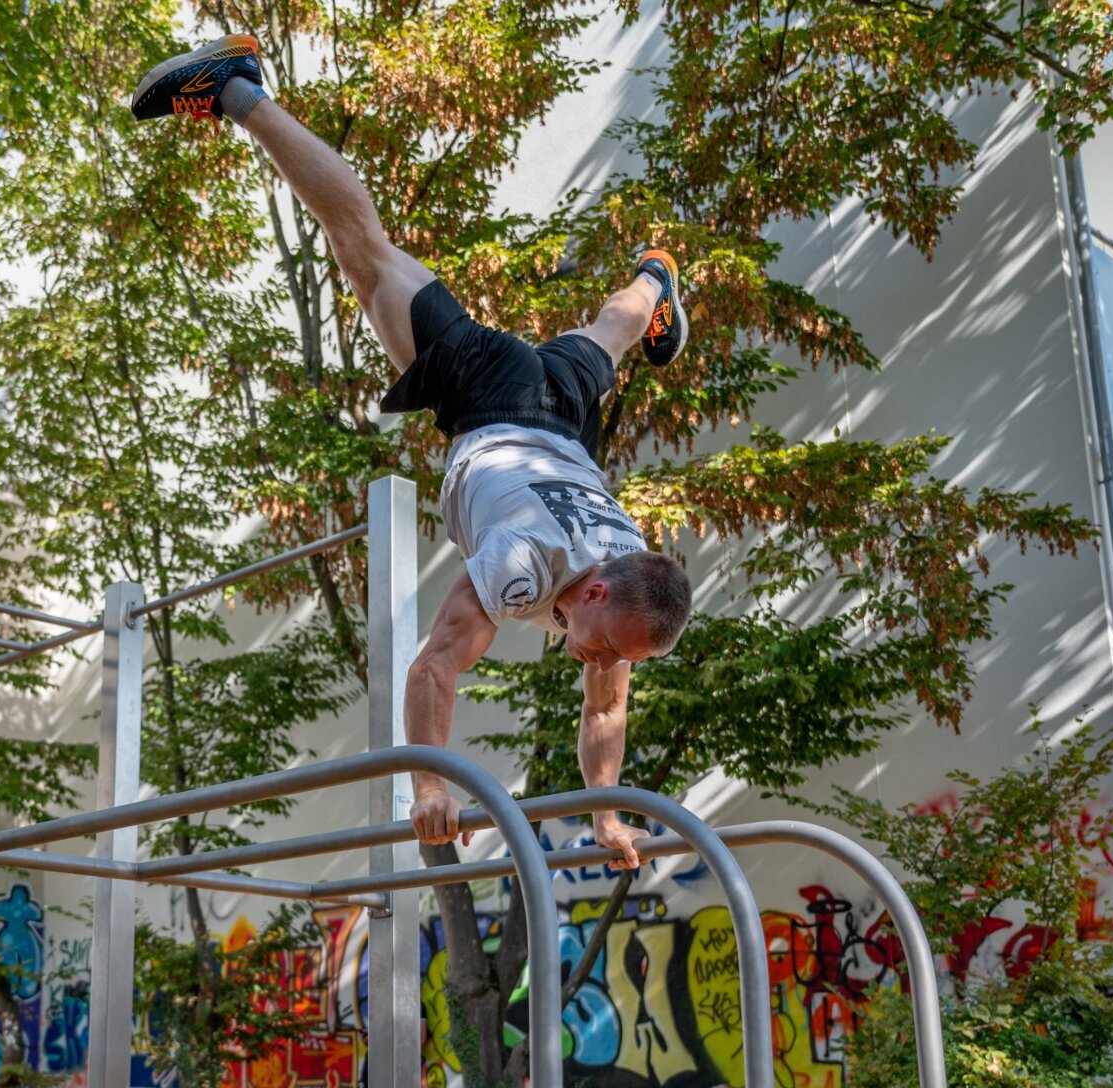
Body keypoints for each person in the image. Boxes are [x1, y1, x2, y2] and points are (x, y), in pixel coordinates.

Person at [133, 35, 694, 869]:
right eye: (606, 645)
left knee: (603, 341)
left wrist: (607, 818)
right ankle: (235, 90)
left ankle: (654, 280)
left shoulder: (626, 587)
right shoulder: (522, 563)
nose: (600, 663)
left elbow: (605, 713)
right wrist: (430, 788)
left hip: (562, 421)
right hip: (491, 395)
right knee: (359, 243)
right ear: (599, 586)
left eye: (613, 656)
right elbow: (436, 665)